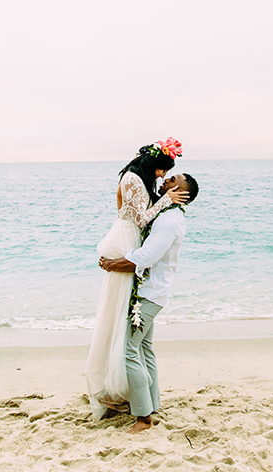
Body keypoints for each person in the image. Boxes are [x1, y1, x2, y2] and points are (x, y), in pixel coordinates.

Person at [85, 139, 189, 420]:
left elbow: (144, 227)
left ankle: (142, 408)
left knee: (132, 341)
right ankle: (136, 399)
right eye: (161, 170)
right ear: (151, 164)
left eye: (167, 174)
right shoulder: (132, 179)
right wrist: (166, 200)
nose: (161, 176)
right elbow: (142, 220)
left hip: (136, 252)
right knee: (130, 334)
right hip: (128, 243)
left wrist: (165, 200)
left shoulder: (164, 207)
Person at [98, 172, 199, 433]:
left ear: (178, 189)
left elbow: (146, 256)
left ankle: (143, 417)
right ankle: (152, 404)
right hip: (153, 292)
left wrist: (111, 263)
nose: (164, 181)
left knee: (128, 349)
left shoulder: (168, 221)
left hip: (148, 295)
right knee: (144, 347)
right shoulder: (169, 215)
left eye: (171, 179)